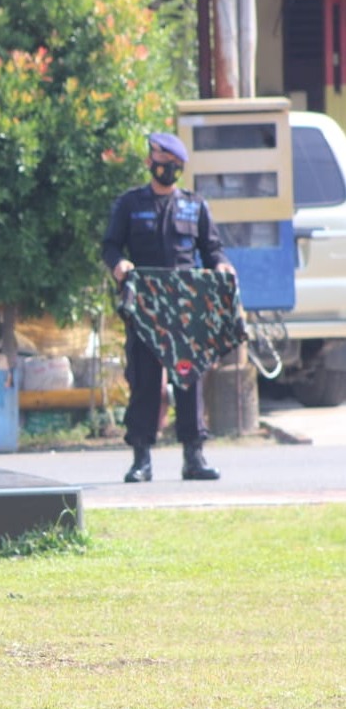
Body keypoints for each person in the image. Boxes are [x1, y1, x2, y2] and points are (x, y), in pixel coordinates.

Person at [102, 132, 236, 483]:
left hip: (186, 309)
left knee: (189, 379)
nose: (168, 171)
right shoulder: (130, 204)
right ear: (150, 163)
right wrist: (119, 266)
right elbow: (111, 246)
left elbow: (213, 249)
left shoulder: (195, 205)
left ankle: (194, 456)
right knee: (146, 381)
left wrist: (222, 266)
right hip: (147, 307)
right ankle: (141, 458)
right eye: (163, 165)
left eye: (174, 167)